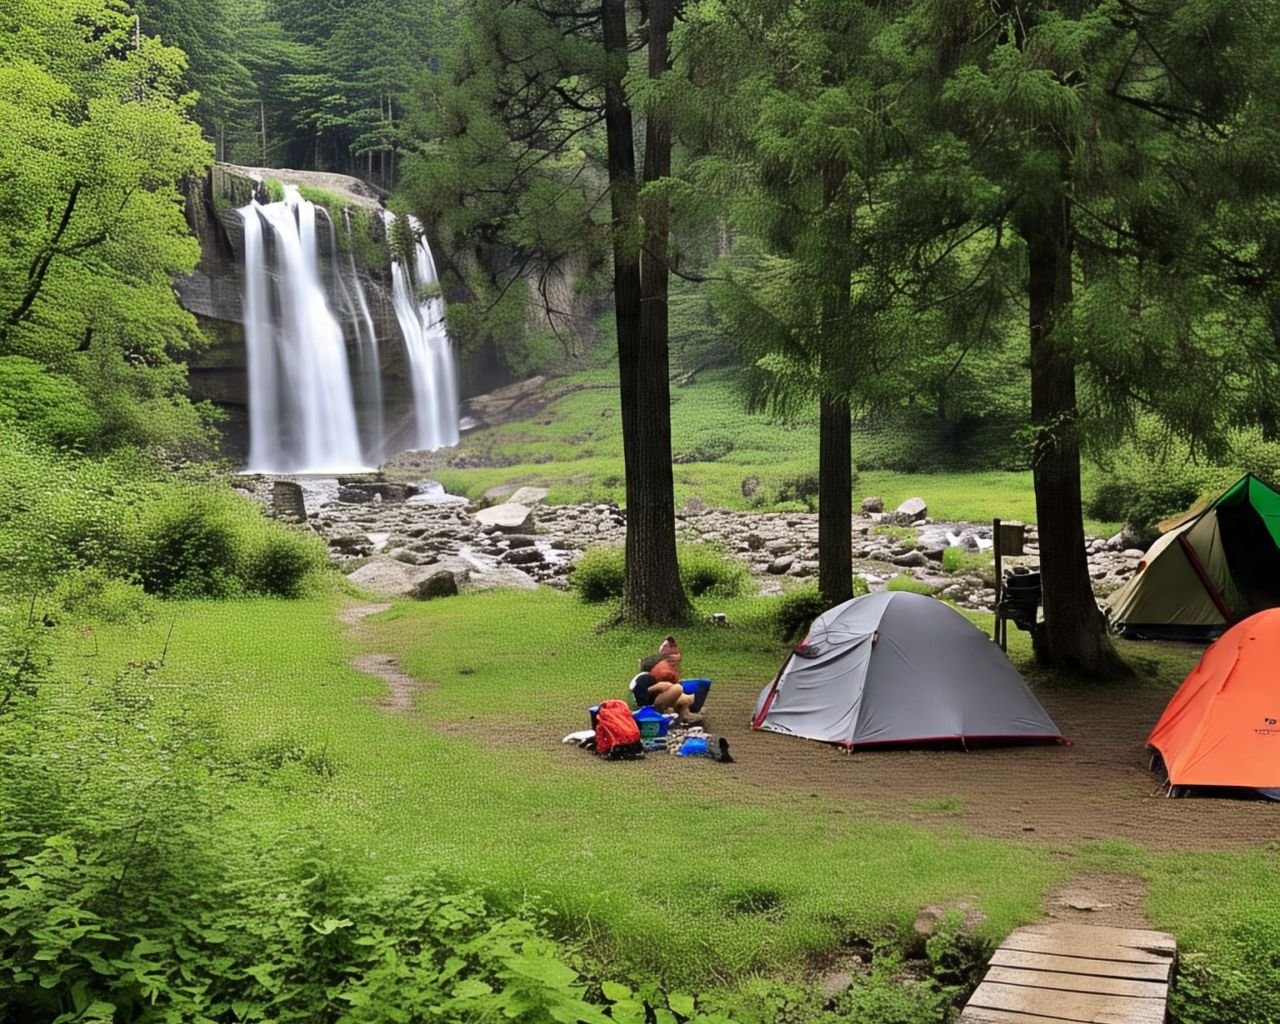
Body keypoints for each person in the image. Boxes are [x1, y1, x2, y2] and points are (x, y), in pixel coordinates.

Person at [630, 654, 702, 724]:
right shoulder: (646, 677)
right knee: (677, 689)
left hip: (646, 705)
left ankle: (684, 714)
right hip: (647, 708)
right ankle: (674, 714)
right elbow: (660, 687)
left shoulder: (645, 677)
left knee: (681, 696)